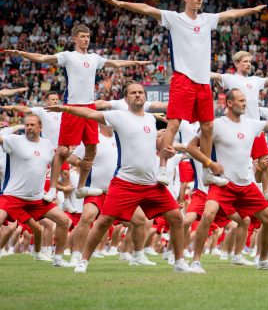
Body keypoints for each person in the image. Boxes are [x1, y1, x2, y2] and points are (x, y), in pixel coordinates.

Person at [100, 0, 266, 186]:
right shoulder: (174, 18)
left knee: (208, 127)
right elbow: (147, 9)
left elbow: (230, 14)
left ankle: (206, 172)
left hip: (203, 81)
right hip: (183, 78)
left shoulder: (207, 19)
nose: (199, 0)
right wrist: (121, 4)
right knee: (174, 123)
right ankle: (162, 168)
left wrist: (252, 10)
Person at [46, 83, 194, 273]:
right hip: (125, 182)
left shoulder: (150, 119)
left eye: (140, 92)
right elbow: (90, 114)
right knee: (103, 221)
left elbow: (157, 145)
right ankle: (83, 260)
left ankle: (179, 263)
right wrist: (65, 108)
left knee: (176, 218)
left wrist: (169, 150)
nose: (137, 95)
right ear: (126, 99)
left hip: (151, 183)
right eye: (133, 93)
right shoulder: (118, 116)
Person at [3, 24, 150, 203]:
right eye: (82, 36)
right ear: (74, 39)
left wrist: (136, 63)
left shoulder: (94, 58)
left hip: (89, 108)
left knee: (92, 148)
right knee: (62, 150)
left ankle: (81, 187)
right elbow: (43, 58)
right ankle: (52, 190)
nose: (86, 39)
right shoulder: (67, 56)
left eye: (88, 36)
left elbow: (115, 63)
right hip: (72, 106)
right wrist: (23, 54)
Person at [184, 88, 268, 272]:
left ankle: (263, 260)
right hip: (223, 184)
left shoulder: (251, 124)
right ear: (229, 103)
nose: (245, 103)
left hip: (246, 185)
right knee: (207, 214)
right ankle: (195, 261)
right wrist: (209, 163)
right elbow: (191, 147)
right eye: (241, 100)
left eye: (245, 100)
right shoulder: (216, 125)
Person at [210, 51, 268, 198]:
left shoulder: (255, 80)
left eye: (249, 62)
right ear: (236, 63)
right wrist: (195, 73)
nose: (248, 64)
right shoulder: (230, 79)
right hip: (237, 127)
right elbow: (214, 75)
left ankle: (266, 193)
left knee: (265, 160)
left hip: (255, 128)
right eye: (245, 61)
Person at [0, 114, 74, 267]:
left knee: (64, 221)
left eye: (32, 125)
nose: (29, 128)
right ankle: (38, 253)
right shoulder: (14, 141)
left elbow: (57, 163)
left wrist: (53, 188)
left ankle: (58, 259)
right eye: (27, 125)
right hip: (12, 196)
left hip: (36, 198)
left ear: (40, 127)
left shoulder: (47, 145)